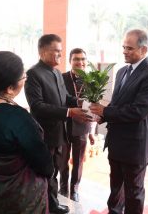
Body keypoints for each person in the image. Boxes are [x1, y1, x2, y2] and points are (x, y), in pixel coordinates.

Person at [0, 51, 54, 213]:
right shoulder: (17, 117)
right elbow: (44, 164)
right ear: (10, 88)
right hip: (17, 199)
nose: (25, 78)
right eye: (23, 77)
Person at [90, 29, 148, 214]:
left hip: (135, 146)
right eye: (123, 47)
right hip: (116, 142)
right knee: (115, 189)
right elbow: (117, 104)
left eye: (129, 48)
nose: (124, 51)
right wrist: (103, 115)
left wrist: (107, 111)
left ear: (144, 50)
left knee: (133, 192)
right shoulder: (122, 71)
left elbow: (139, 111)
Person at [24, 34, 91, 214]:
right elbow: (37, 107)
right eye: (57, 52)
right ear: (43, 51)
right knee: (45, 172)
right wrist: (69, 112)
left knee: (53, 171)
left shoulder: (55, 72)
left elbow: (64, 98)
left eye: (61, 52)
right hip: (44, 133)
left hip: (59, 132)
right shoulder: (33, 74)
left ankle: (52, 204)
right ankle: (43, 205)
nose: (60, 56)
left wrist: (80, 103)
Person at [59, 48, 95, 202]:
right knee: (63, 159)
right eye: (76, 59)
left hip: (83, 126)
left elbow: (94, 107)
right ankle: (63, 187)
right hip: (64, 124)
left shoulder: (93, 81)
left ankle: (74, 189)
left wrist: (92, 131)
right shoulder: (61, 78)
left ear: (86, 62)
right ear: (70, 61)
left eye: (83, 59)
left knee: (78, 160)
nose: (80, 62)